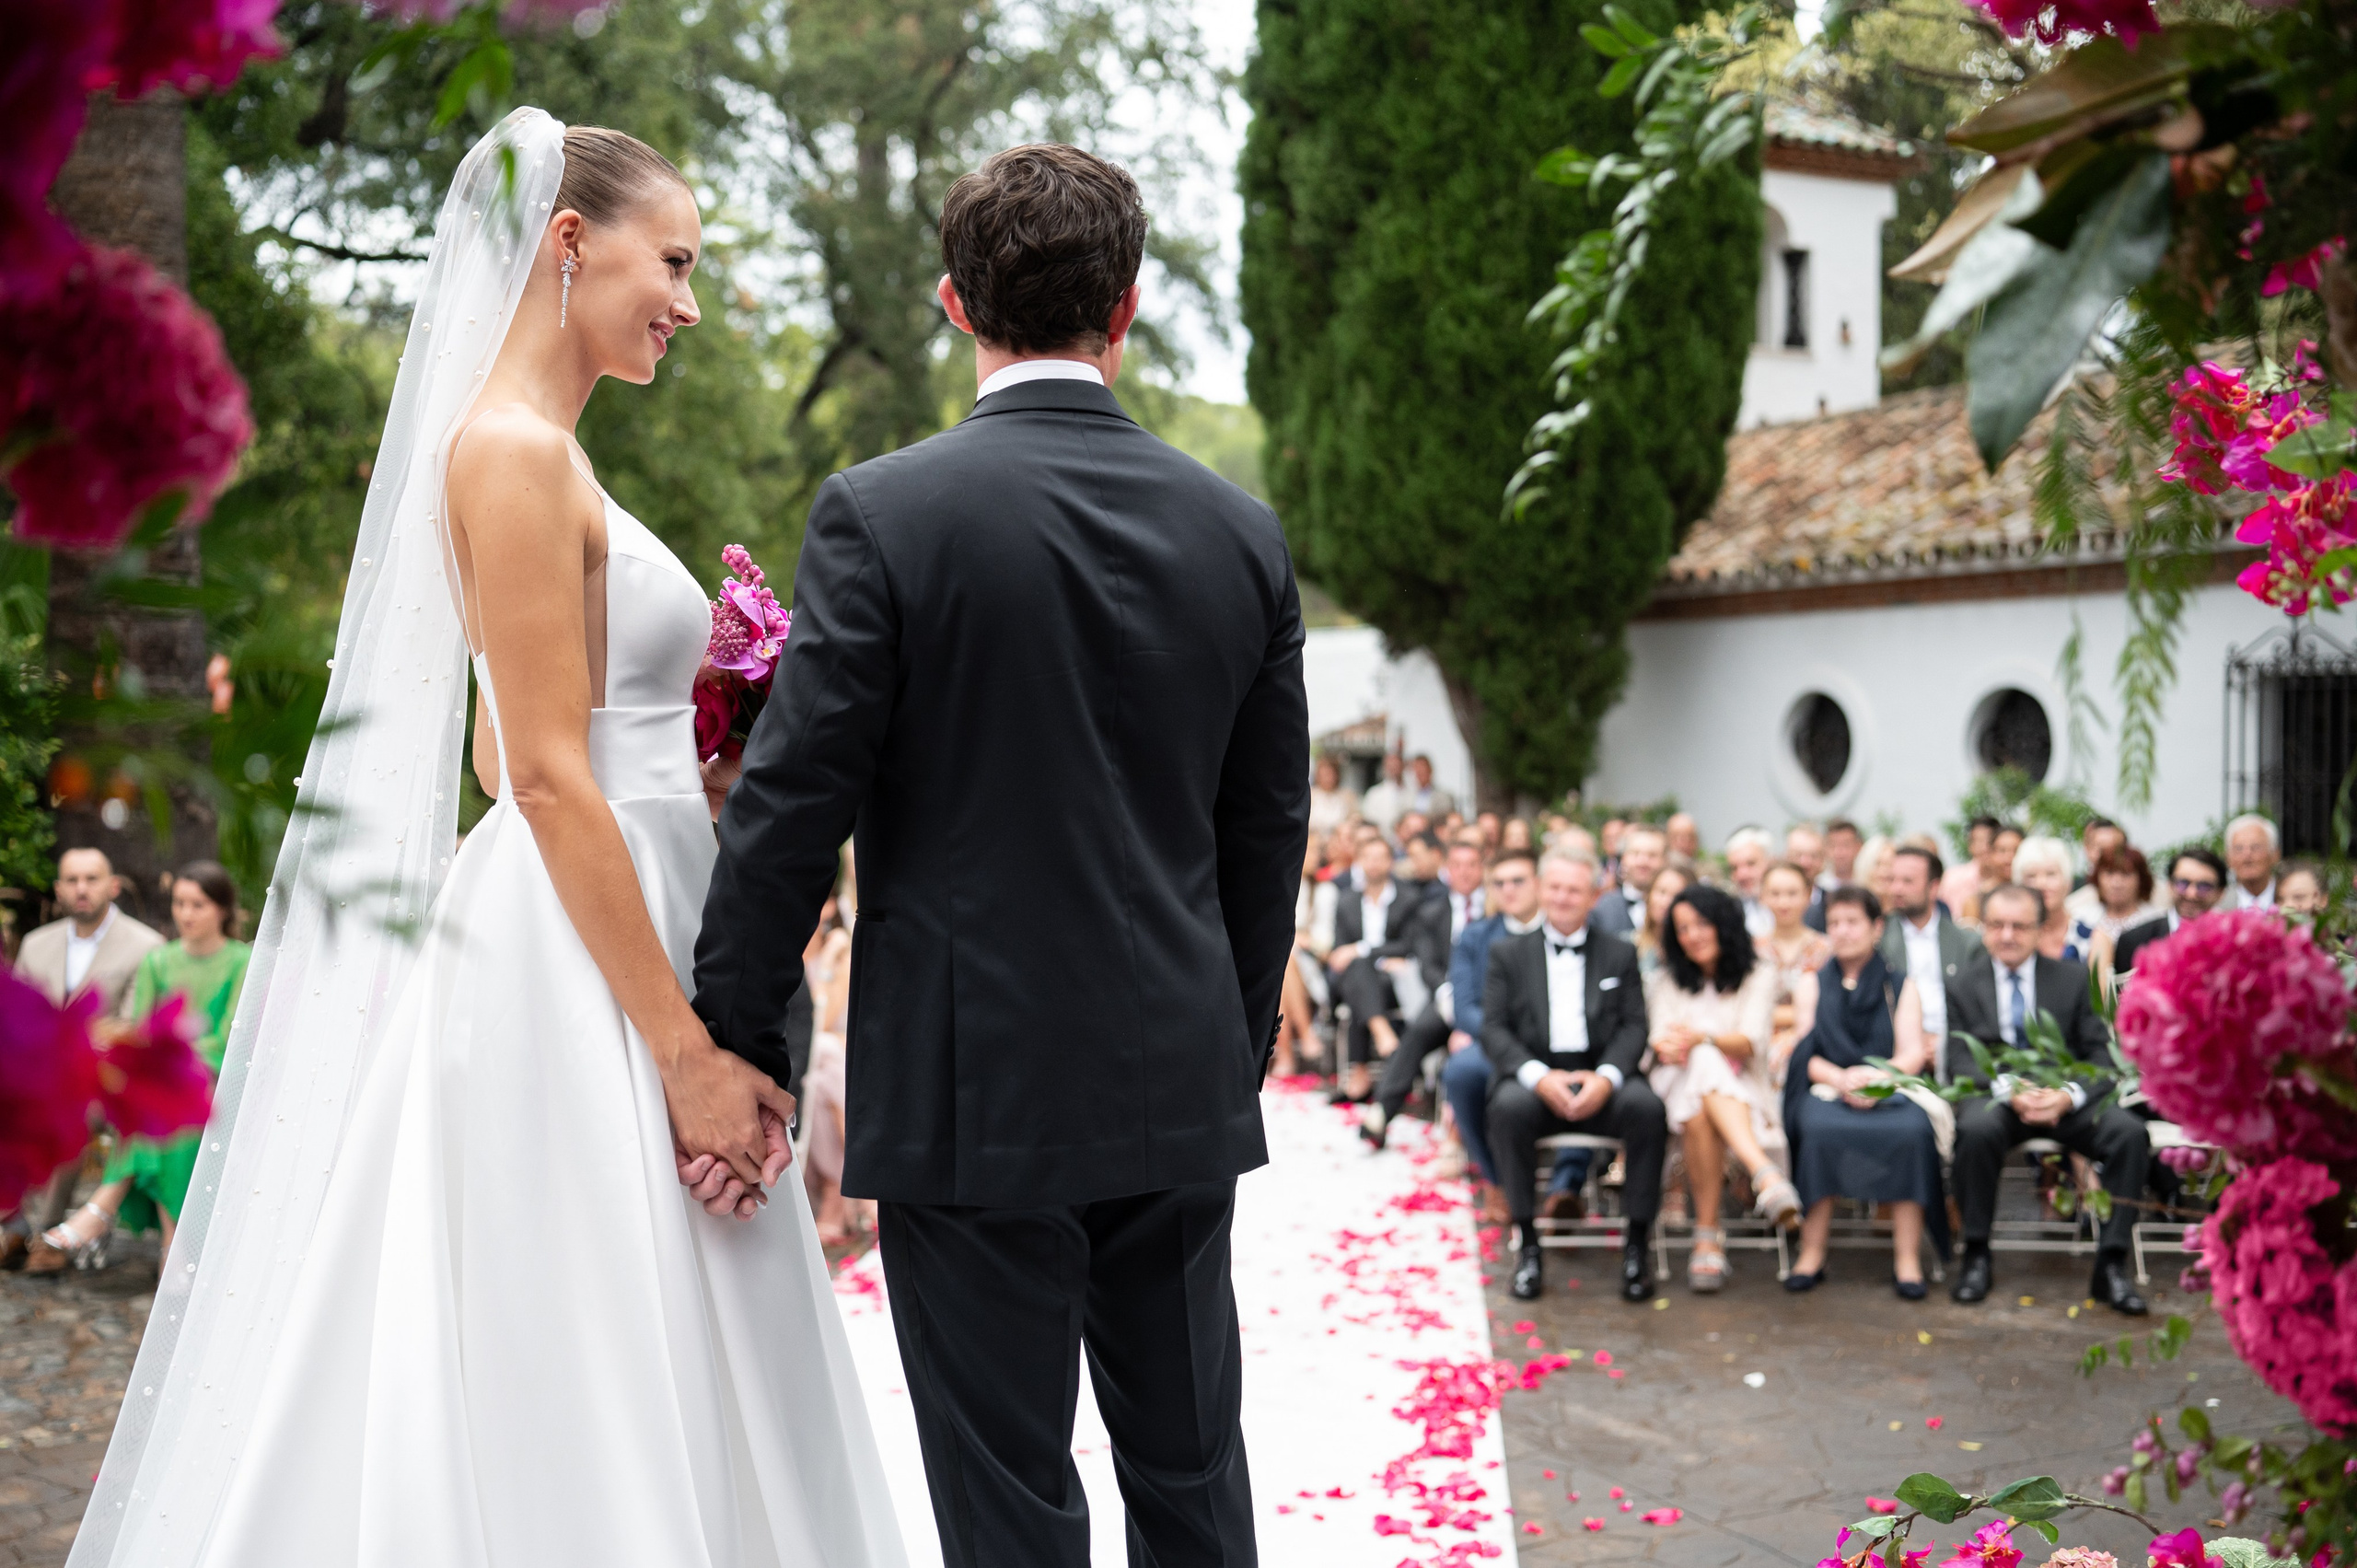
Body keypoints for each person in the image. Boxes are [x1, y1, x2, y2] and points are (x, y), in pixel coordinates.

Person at [72, 115, 905, 1568]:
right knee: (592, 1316)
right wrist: (689, 1053)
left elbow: (494, 743)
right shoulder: (511, 453)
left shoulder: (549, 453)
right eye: (677, 263)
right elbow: (538, 778)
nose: (690, 305)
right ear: (570, 241)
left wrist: (687, 766)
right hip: (584, 946)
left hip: (625, 888)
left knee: (670, 1311)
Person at [691, 142, 1306, 1567]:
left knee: (1005, 1498)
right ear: (1130, 308)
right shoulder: (1240, 532)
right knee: (1194, 1468)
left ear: (955, 305)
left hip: (971, 1089)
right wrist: (1228, 1041)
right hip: (1172, 1067)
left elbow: (796, 805)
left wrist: (739, 1038)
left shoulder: (884, 514)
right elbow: (1266, 824)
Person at [1944, 884, 2150, 1315]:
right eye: (1997, 925)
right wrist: (2009, 1091)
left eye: (2020, 926)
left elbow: (2101, 1056)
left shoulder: (2073, 979)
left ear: (2040, 930)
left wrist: (2067, 1095)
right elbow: (1961, 1058)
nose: (2007, 935)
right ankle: (1976, 1254)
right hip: (2000, 1096)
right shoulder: (1964, 983)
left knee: (2130, 1134)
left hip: (2065, 1096)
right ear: (1983, 930)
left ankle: (2112, 1264)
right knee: (1973, 1131)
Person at [39, 863, 251, 1266]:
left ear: (223, 909)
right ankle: (173, 1250)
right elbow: (141, 1032)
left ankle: (104, 1206)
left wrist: (174, 1058)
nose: (186, 914)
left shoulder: (243, 961)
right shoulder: (159, 961)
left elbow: (229, 1038)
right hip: (166, 1075)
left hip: (217, 1074)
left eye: (198, 905)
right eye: (179, 904)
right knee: (156, 1104)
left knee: (171, 1106)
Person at [1483, 850, 1667, 1304]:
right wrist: (1538, 1077)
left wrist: (1606, 1077)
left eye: (1574, 890)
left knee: (1648, 1110)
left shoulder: (1620, 952)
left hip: (1600, 1072)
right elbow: (1493, 1027)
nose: (1564, 898)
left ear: (1593, 896)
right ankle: (1528, 1245)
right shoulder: (1507, 953)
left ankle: (1637, 1246)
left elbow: (1634, 1026)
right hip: (1537, 1076)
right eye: (1556, 888)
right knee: (1506, 1108)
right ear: (1542, 890)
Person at [1781, 887, 1946, 1297]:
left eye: (1852, 921)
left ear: (1876, 927)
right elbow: (1806, 1054)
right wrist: (1841, 1079)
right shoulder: (1812, 983)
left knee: (1912, 1133)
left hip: (1888, 1088)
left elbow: (1911, 1053)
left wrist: (1878, 1081)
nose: (1842, 931)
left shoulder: (1900, 984)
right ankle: (1812, 1251)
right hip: (1827, 1089)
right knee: (1816, 1131)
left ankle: (1906, 1257)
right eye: (1834, 923)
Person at [6, 847, 163, 1271]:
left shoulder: (146, 947)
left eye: (91, 879)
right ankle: (13, 1224)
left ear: (113, 886)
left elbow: (132, 1026)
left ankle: (48, 1231)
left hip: (104, 1078)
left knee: (65, 1109)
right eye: (72, 880)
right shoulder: (37, 945)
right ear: (58, 889)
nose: (81, 888)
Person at [1645, 883, 1797, 1292]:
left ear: (1723, 925)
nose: (1692, 935)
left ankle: (1707, 1237)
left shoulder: (1758, 975)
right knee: (1701, 1060)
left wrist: (1698, 1038)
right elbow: (1663, 1037)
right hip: (1673, 1080)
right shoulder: (1666, 981)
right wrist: (1679, 1042)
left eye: (1701, 924)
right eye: (1682, 929)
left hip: (1740, 1086)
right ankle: (1763, 1173)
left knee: (1700, 1098)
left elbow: (1751, 1041)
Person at [1361, 838, 1495, 1150]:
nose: (1464, 873)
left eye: (1471, 865)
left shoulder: (1495, 908)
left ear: (1481, 869)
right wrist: (1446, 993)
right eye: (1457, 866)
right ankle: (1382, 1111)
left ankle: (1463, 1132)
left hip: (1488, 999)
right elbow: (1427, 962)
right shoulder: (1431, 912)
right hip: (1447, 996)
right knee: (1418, 1032)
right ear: (1448, 870)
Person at [1878, 844, 1982, 1071]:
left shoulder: (1968, 943)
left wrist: (1945, 1044)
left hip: (1956, 1053)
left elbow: (1978, 1008)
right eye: (1892, 880)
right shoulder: (1878, 940)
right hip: (1894, 1054)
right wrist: (1914, 1044)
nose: (1896, 888)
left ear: (1933, 887)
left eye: (1907, 881)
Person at [2111, 847, 2228, 981]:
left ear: (2220, 893)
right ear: (2169, 885)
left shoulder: (2231, 941)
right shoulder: (2134, 941)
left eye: (2203, 886)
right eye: (2183, 883)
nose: (2191, 894)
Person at [1760, 861, 1831, 1059]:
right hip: (1759, 1044)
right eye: (1775, 893)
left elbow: (1830, 1007)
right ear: (1763, 896)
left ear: (1808, 895)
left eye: (1792, 893)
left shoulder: (1826, 949)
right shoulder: (1751, 950)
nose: (1784, 902)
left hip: (1816, 1044)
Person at [2009, 835, 2081, 960]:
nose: (2041, 884)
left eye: (2051, 874)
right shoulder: (2009, 936)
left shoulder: (2092, 936)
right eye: (2031, 876)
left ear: (2068, 882)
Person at [1592, 822, 1662, 937]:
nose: (1643, 862)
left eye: (1652, 855)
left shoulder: (1674, 907)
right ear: (1623, 858)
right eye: (1635, 854)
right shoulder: (1602, 907)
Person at [1634, 864, 1693, 983]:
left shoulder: (1695, 951)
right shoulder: (1629, 946)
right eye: (1661, 892)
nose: (1666, 902)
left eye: (1677, 896)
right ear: (1649, 895)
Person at [1942, 815, 2001, 920]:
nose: (1984, 847)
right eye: (1978, 841)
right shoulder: (1952, 879)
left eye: (1989, 841)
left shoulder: (2011, 880)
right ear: (1970, 845)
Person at [1723, 826, 1775, 937]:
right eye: (1734, 868)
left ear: (1770, 862)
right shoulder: (1729, 912)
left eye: (1750, 864)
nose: (1742, 875)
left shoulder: (1796, 904)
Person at [2224, 813, 2281, 908]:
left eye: (2255, 847)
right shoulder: (2218, 908)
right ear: (2228, 859)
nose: (2247, 855)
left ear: (2275, 855)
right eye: (2239, 848)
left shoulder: (2292, 903)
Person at [1785, 824, 1830, 931]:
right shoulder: (1768, 901)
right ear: (1786, 857)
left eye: (1814, 856)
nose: (1805, 862)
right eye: (1798, 855)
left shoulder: (1832, 902)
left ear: (1823, 860)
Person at [1309, 752, 1359, 837]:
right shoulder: (1311, 795)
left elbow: (1355, 818)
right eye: (1324, 774)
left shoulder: (1347, 796)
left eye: (1330, 774)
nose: (1327, 778)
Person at [1361, 750, 1411, 832]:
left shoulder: (1412, 792)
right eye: (1390, 765)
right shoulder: (1374, 793)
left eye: (1396, 765)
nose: (1394, 768)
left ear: (1403, 766)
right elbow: (1368, 820)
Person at [1408, 753, 1456, 818]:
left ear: (1430, 770)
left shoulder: (1443, 797)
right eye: (1417, 770)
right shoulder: (1407, 797)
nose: (1420, 772)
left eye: (1423, 769)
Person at [1823, 819, 1863, 889]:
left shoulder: (1867, 882)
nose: (1839, 852)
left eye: (1846, 845)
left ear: (1858, 847)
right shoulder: (1819, 884)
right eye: (1833, 845)